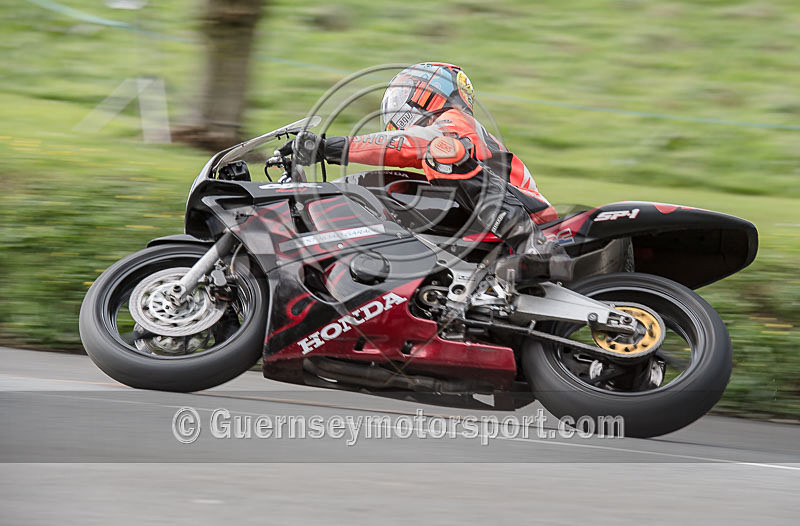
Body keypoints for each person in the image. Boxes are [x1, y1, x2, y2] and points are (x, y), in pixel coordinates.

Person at [282, 62, 562, 285]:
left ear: (426, 92)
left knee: (443, 153)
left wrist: (328, 148)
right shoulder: (441, 132)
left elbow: (407, 145)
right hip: (485, 229)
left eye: (402, 96)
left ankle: (532, 247)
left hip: (530, 218)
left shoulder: (454, 120)